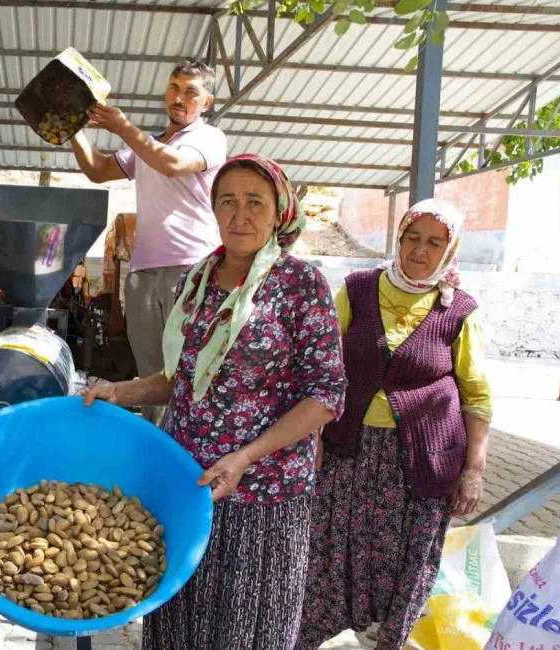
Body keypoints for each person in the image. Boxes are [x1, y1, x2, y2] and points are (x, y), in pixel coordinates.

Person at [82, 154, 346, 650]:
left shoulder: (299, 284)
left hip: (262, 492)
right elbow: (182, 378)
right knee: (182, 623)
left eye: (254, 203)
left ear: (278, 212)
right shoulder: (195, 281)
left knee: (246, 628)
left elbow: (326, 395)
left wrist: (245, 457)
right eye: (227, 202)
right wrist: (122, 392)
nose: (239, 216)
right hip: (186, 480)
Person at [297, 199, 491, 650]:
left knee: (409, 562)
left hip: (423, 461)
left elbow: (477, 395)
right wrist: (314, 434)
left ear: (450, 249)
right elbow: (323, 370)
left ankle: (390, 641)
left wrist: (474, 470)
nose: (420, 251)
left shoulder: (459, 310)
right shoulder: (358, 290)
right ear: (398, 238)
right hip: (350, 450)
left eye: (434, 242)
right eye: (412, 238)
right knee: (329, 555)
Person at [71, 60, 227, 422]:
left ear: (206, 102)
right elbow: (97, 170)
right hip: (142, 273)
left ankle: (192, 453)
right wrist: (73, 127)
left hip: (190, 271)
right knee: (150, 375)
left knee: (188, 368)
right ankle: (157, 454)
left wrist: (122, 127)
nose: (180, 98)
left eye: (191, 92)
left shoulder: (208, 138)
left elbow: (172, 164)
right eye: (174, 87)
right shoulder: (150, 144)